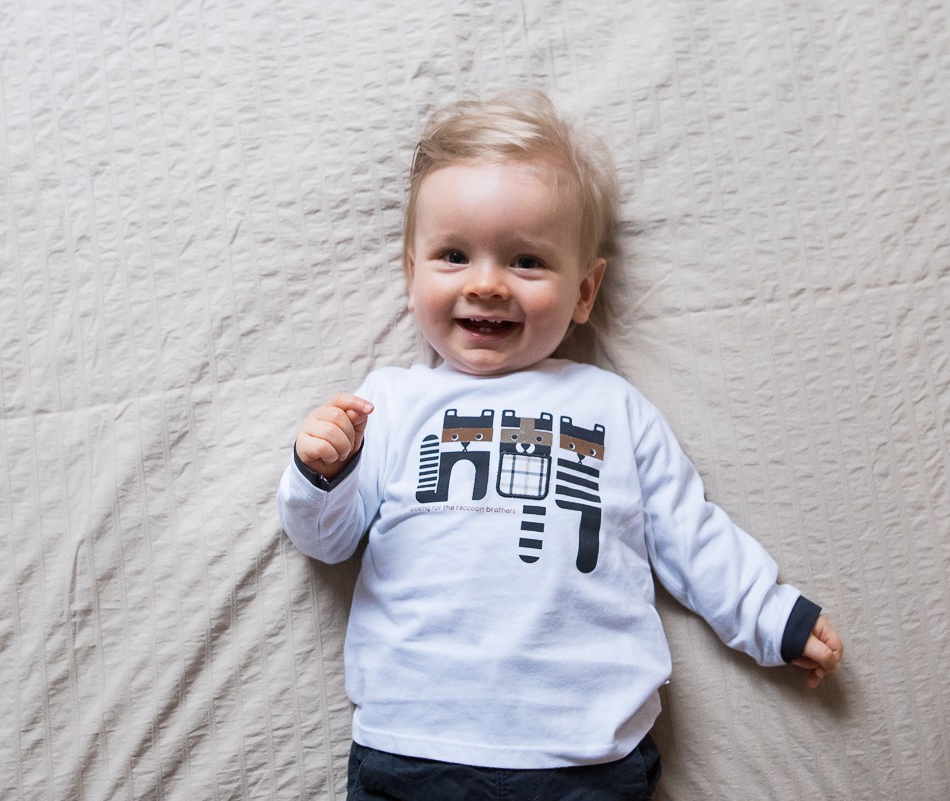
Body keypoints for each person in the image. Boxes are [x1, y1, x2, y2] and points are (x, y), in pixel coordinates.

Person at [278, 90, 843, 801]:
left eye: (526, 261)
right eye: (453, 255)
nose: (486, 284)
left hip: (586, 750)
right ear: (410, 271)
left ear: (585, 290)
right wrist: (319, 472)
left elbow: (689, 531)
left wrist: (769, 614)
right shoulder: (389, 403)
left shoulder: (613, 406)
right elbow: (326, 541)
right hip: (416, 744)